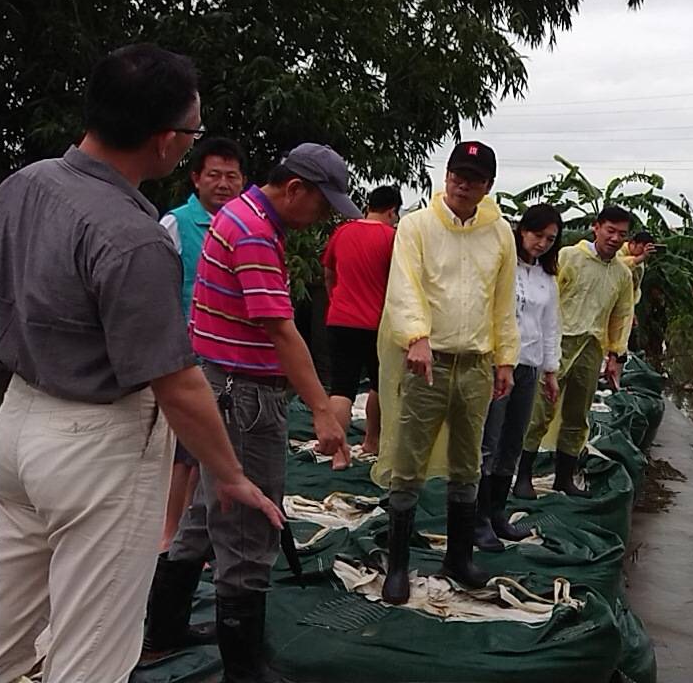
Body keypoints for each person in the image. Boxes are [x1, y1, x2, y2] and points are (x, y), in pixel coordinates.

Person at [0, 43, 282, 683]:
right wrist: (229, 474)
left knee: (3, 633)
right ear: (164, 141)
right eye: (192, 131)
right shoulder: (132, 234)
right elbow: (176, 381)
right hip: (95, 445)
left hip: (16, 427)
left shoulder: (22, 185)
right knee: (93, 654)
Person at [143, 144, 356, 681]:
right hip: (243, 396)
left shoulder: (238, 213)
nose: (324, 219)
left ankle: (164, 630)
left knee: (205, 513)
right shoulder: (256, 232)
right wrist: (322, 412)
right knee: (248, 527)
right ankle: (243, 670)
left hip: (220, 384)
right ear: (295, 190)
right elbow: (282, 331)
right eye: (323, 206)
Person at [371, 140, 519, 601]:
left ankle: (458, 556)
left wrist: (505, 359)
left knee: (467, 461)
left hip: (475, 364)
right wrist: (416, 335)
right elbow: (404, 285)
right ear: (446, 175)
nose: (461, 184)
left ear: (487, 186)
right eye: (456, 174)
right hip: (428, 364)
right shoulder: (416, 226)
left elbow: (502, 302)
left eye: (473, 179)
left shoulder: (500, 235)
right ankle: (398, 565)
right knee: (409, 459)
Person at [158, 136, 248, 552]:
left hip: (227, 359)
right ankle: (169, 533)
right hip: (182, 357)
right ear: (196, 179)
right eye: (214, 175)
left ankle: (197, 535)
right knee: (182, 451)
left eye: (232, 176)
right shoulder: (175, 225)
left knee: (210, 451)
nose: (224, 184)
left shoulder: (248, 228)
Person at [516, 206, 636, 499]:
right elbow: (548, 297)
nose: (615, 238)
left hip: (591, 346)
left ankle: (565, 477)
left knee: (578, 415)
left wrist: (615, 354)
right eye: (610, 230)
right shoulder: (571, 257)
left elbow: (621, 315)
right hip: (559, 341)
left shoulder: (622, 273)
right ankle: (523, 476)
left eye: (622, 234)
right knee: (540, 411)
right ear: (596, 227)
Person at [474, 204, 562, 551]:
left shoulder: (547, 278)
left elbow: (551, 326)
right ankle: (478, 519)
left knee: (512, 442)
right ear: (522, 229)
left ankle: (498, 513)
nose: (542, 243)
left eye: (550, 239)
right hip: (499, 365)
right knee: (488, 442)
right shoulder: (502, 266)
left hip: (529, 366)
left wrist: (550, 370)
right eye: (538, 234)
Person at [322, 184, 401, 468]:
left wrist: (336, 300)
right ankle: (372, 441)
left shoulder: (342, 232)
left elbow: (329, 273)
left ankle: (338, 454)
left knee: (341, 388)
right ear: (393, 211)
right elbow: (399, 283)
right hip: (376, 324)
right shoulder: (392, 238)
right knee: (379, 385)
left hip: (340, 319)